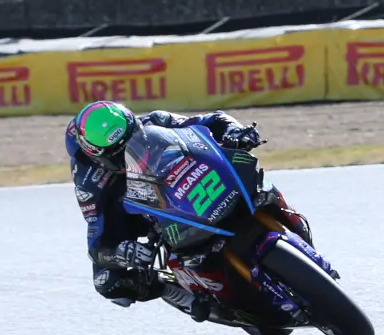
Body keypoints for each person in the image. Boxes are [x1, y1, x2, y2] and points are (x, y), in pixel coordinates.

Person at [64, 101, 311, 321]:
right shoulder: (89, 181)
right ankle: (179, 294)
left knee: (257, 182)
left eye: (131, 137)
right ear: (98, 156)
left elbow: (211, 120)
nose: (128, 148)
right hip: (143, 213)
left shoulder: (155, 120)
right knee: (106, 282)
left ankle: (291, 226)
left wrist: (235, 130)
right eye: (119, 151)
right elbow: (97, 242)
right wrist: (122, 252)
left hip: (193, 180)